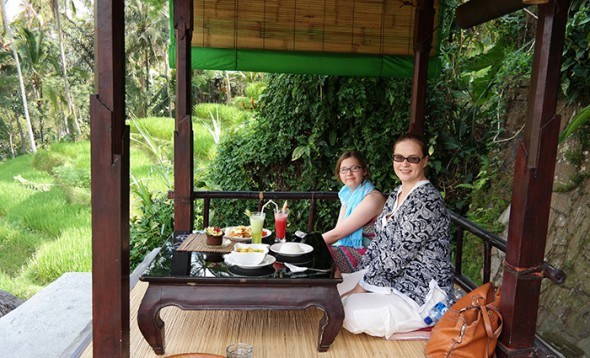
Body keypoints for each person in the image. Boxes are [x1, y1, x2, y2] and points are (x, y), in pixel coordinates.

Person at [338, 133, 454, 339]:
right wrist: (361, 274)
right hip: (394, 279)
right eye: (399, 158)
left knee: (347, 311)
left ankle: (426, 324)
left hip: (419, 291)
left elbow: (396, 256)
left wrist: (361, 287)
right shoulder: (397, 193)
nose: (404, 164)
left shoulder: (427, 202)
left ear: (425, 161)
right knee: (335, 290)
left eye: (413, 158)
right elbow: (380, 241)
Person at [322, 151, 386, 274]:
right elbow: (339, 229)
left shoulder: (372, 198)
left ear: (365, 171)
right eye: (344, 170)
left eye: (354, 168)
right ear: (339, 174)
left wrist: (309, 244)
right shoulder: (347, 195)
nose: (349, 173)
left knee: (319, 255)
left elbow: (336, 234)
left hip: (371, 256)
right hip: (353, 249)